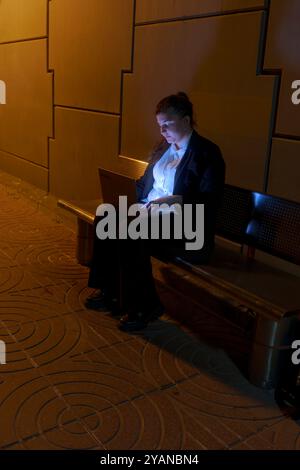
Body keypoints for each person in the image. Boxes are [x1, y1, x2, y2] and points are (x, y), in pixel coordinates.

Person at [85, 92, 226, 331]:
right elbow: (145, 184)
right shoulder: (164, 148)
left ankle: (144, 305)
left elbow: (209, 202)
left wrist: (176, 200)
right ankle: (110, 291)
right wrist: (127, 196)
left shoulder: (207, 153)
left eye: (167, 125)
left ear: (186, 120)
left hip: (186, 225)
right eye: (160, 126)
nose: (163, 132)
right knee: (105, 216)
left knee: (129, 231)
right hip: (151, 214)